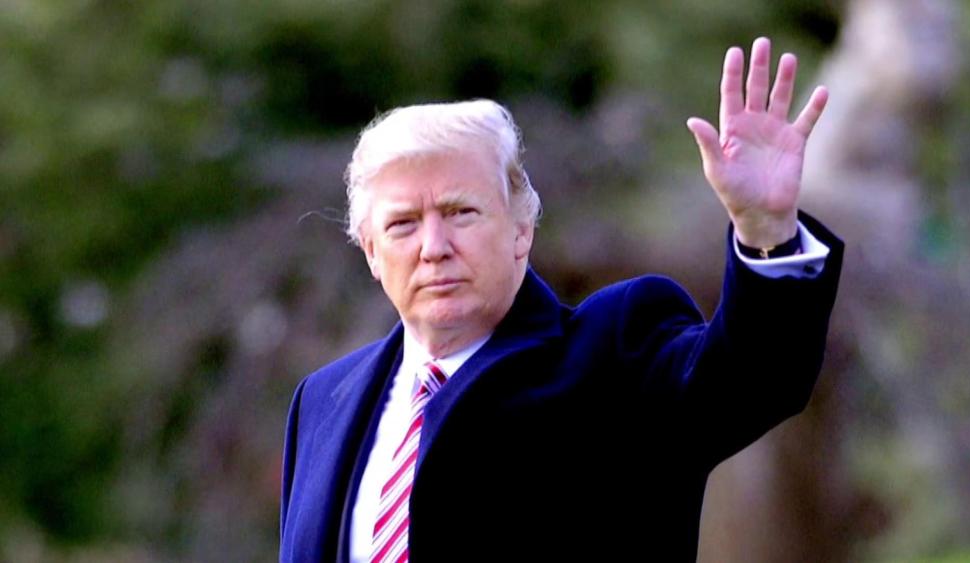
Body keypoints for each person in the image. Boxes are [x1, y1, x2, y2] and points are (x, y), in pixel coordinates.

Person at [280, 37, 843, 562]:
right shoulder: (323, 402)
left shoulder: (616, 352)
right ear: (372, 252)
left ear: (521, 229)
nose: (434, 247)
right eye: (403, 224)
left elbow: (756, 377)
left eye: (460, 212)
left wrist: (767, 231)